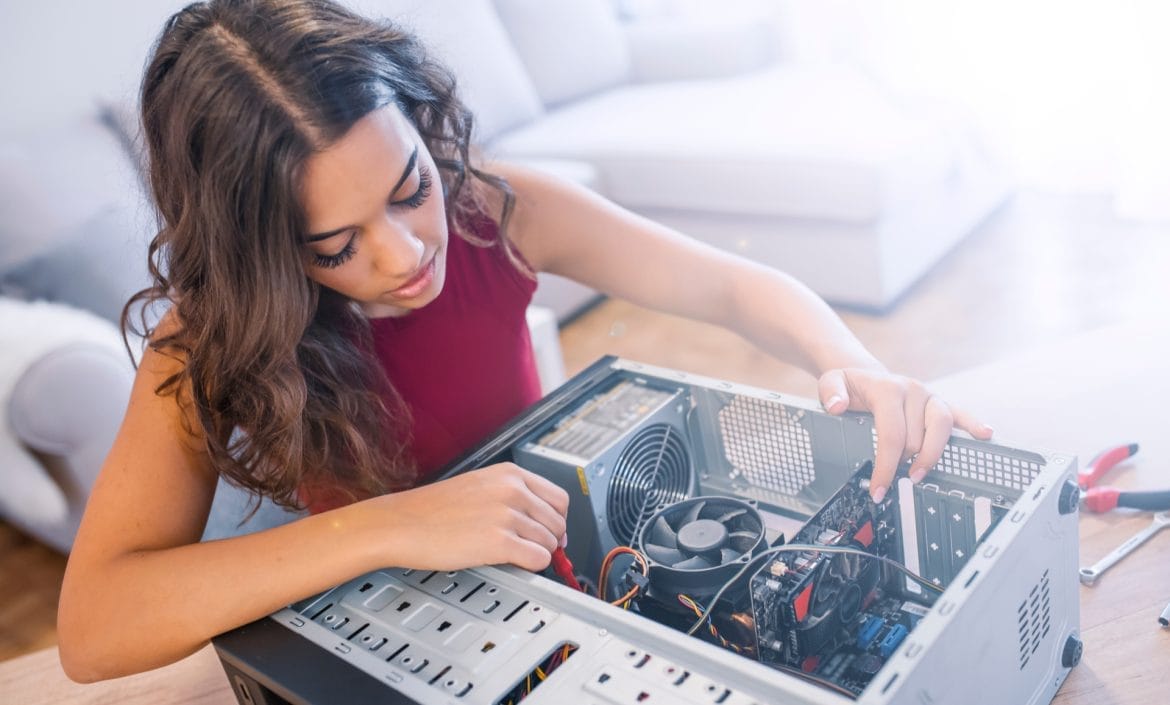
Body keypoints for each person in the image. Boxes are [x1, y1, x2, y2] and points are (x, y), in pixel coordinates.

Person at [57, 0, 992, 683]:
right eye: (337, 246)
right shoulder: (205, 343)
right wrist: (395, 523)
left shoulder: (491, 211)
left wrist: (859, 368)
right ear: (262, 252)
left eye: (408, 185)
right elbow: (94, 629)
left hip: (551, 578)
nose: (406, 253)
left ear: (424, 129)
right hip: (401, 608)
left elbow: (731, 283)